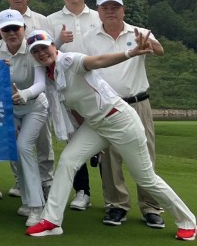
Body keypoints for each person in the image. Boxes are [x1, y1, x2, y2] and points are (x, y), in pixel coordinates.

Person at [25, 30, 195, 241]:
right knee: (68, 161)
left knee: (145, 178)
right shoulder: (50, 76)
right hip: (94, 125)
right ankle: (52, 221)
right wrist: (90, 145)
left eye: (44, 47)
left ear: (53, 46)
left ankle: (187, 221)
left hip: (119, 120)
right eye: (36, 51)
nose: (41, 53)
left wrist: (130, 53)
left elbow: (99, 61)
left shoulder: (70, 60)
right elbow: (76, 108)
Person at [83, 0, 166, 228]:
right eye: (105, 8)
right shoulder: (89, 37)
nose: (110, 11)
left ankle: (151, 207)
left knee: (146, 155)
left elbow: (160, 51)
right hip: (108, 105)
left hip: (138, 103)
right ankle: (116, 205)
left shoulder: (139, 32)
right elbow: (85, 69)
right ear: (98, 11)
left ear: (123, 10)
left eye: (115, 7)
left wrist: (148, 44)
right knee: (110, 159)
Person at [0, 9, 48, 226]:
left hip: (34, 107)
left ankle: (37, 207)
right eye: (6, 29)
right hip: (8, 109)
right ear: (0, 31)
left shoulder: (33, 49)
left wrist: (24, 94)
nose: (12, 33)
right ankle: (27, 200)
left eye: (16, 28)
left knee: (24, 147)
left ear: (24, 28)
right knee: (16, 152)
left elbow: (40, 83)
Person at [46, 0, 101, 211]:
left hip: (98, 88)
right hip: (67, 90)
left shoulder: (98, 16)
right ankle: (82, 191)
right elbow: (44, 54)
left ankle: (113, 199)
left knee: (106, 140)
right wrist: (58, 41)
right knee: (74, 141)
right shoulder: (51, 20)